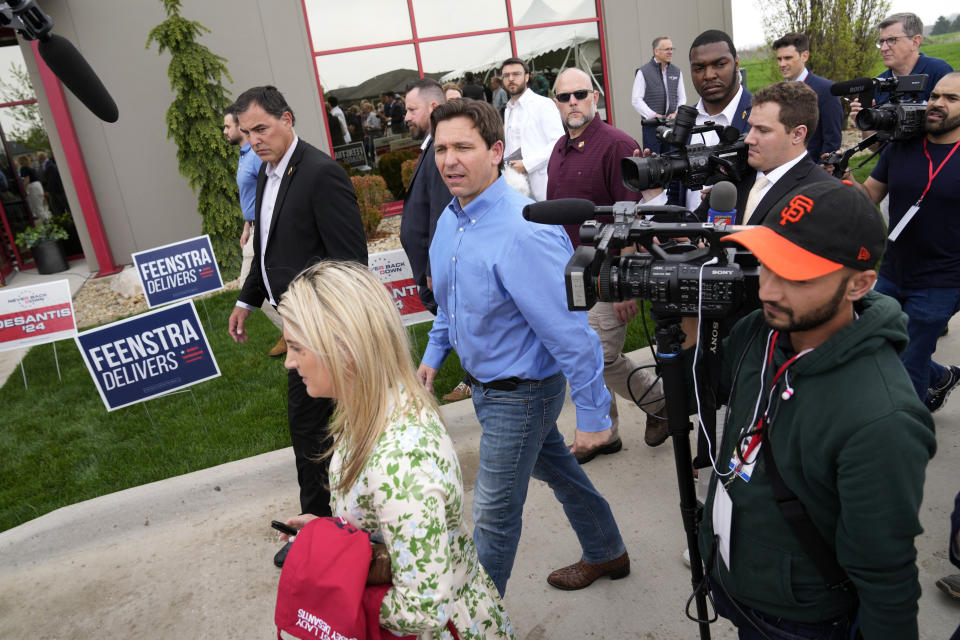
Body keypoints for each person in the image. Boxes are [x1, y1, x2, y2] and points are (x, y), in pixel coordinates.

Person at [693, 179, 936, 640]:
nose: (768, 291)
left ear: (860, 284)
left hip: (798, 617)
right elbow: (705, 392)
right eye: (766, 265)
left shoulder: (883, 419)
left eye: (797, 276)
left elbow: (887, 574)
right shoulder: (761, 330)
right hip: (732, 574)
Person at [417, 98, 629, 596]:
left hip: (524, 393)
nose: (450, 160)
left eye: (463, 147)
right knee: (561, 473)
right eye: (442, 148)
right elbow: (451, 303)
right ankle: (607, 550)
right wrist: (433, 355)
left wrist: (596, 415)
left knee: (492, 513)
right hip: (486, 390)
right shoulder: (452, 220)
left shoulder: (524, 230)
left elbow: (571, 333)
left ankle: (476, 624)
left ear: (495, 152)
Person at [277, 261, 514, 639]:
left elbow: (423, 609)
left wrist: (331, 593)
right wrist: (331, 534)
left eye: (296, 347)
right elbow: (384, 522)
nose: (289, 362)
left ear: (344, 349)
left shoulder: (402, 461)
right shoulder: (373, 406)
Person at [226, 86, 367, 567]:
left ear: (287, 119)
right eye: (246, 133)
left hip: (325, 334)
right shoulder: (268, 173)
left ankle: (321, 536)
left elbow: (351, 264)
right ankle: (322, 530)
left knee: (315, 429)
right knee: (310, 431)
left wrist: (329, 333)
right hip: (298, 331)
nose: (254, 140)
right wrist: (249, 298)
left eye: (261, 128)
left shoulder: (322, 173)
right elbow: (267, 249)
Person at [546, 67, 669, 460]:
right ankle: (606, 431)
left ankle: (661, 403)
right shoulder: (558, 150)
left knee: (600, 355)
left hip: (609, 272)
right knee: (585, 355)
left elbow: (631, 217)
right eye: (565, 98)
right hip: (573, 273)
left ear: (595, 97)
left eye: (580, 94)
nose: (573, 103)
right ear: (556, 103)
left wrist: (625, 285)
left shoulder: (617, 144)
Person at [844, 72, 960, 411]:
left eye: (951, 99)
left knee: (908, 359)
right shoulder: (903, 145)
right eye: (936, 96)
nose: (938, 103)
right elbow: (870, 196)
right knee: (876, 340)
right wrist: (847, 179)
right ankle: (939, 377)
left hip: (942, 282)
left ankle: (904, 435)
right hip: (893, 270)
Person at [695, 81, 837, 225]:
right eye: (751, 127)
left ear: (797, 134)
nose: (749, 139)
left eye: (762, 130)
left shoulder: (824, 195)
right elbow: (695, 227)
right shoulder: (732, 179)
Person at [222, 104, 281, 356]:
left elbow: (271, 191)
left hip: (265, 229)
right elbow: (254, 193)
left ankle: (298, 335)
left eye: (227, 126)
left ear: (240, 127)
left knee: (255, 285)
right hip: (254, 228)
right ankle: (295, 334)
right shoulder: (245, 155)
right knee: (259, 286)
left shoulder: (257, 156)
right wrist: (247, 225)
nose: (224, 131)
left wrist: (260, 226)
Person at [680, 29, 752, 210]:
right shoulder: (682, 124)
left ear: (736, 64)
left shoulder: (761, 119)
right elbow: (675, 194)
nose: (709, 75)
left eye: (719, 64)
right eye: (699, 68)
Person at [399, 78, 451, 315]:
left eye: (412, 110)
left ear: (432, 108)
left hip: (438, 276)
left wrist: (434, 269)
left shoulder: (440, 151)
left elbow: (442, 214)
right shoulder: (431, 148)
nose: (406, 117)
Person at [502, 57, 564, 202]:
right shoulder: (508, 109)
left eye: (516, 74)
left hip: (543, 185)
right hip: (517, 186)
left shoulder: (543, 104)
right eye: (506, 75)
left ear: (527, 76)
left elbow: (558, 143)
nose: (511, 79)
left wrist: (527, 165)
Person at [772, 32, 842, 160]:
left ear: (804, 56)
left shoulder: (826, 90)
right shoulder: (777, 92)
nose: (782, 64)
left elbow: (832, 140)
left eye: (788, 58)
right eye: (779, 59)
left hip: (814, 173)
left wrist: (821, 171)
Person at [632, 36, 686, 154]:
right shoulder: (643, 72)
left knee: (673, 161)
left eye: (672, 49)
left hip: (672, 126)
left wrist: (676, 113)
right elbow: (636, 100)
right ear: (656, 51)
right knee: (654, 163)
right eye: (667, 49)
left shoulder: (677, 71)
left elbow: (682, 98)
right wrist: (653, 115)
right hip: (652, 128)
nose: (670, 52)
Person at [18, 155, 50, 222]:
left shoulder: (23, 168)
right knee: (41, 206)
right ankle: (47, 220)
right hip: (38, 186)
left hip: (32, 187)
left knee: (38, 208)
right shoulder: (31, 167)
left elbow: (27, 179)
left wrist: (23, 188)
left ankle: (47, 222)